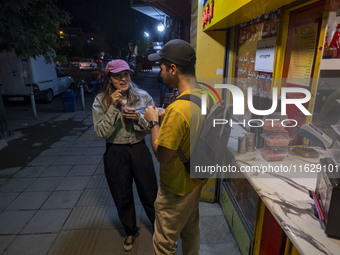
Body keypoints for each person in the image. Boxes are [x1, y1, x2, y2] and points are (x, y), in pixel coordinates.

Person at [144, 39, 207, 255]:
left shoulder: (178, 110)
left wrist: (153, 121)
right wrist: (167, 118)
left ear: (173, 68)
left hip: (176, 189)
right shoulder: (204, 96)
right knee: (190, 233)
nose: (160, 73)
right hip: (195, 182)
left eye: (161, 68)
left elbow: (162, 155)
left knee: (164, 243)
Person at [92, 59, 158, 252]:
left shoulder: (142, 97)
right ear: (109, 78)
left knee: (150, 192)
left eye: (126, 74)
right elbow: (101, 132)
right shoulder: (101, 101)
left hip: (138, 148)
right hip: (115, 151)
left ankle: (159, 229)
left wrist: (138, 118)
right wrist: (113, 108)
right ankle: (131, 231)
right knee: (122, 195)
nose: (123, 79)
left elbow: (151, 128)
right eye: (117, 75)